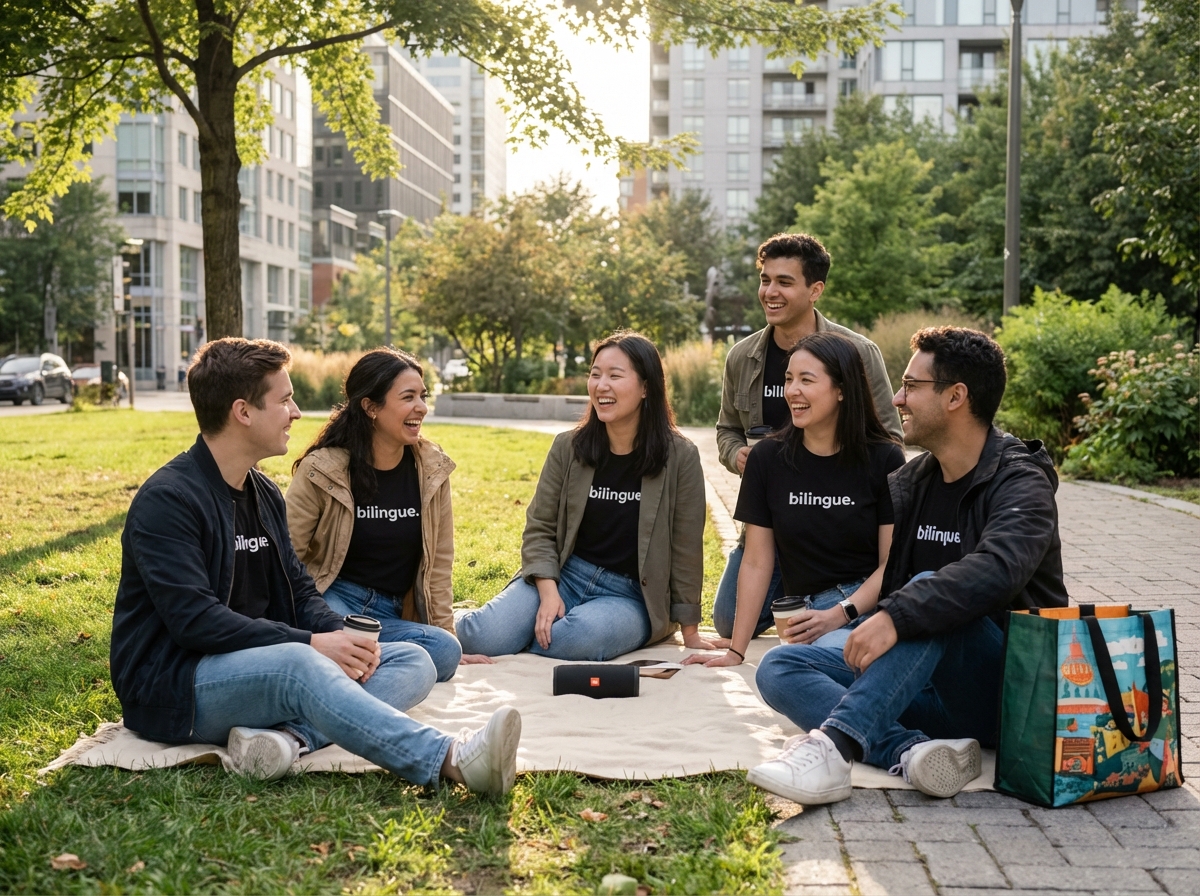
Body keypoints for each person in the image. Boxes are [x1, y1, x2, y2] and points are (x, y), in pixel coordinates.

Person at [109, 338, 520, 792]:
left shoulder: (262, 493)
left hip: (259, 663)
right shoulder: (170, 500)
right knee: (299, 665)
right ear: (243, 412)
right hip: (177, 689)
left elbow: (300, 590)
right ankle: (452, 759)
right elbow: (194, 622)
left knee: (413, 658)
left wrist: (340, 639)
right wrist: (311, 643)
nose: (297, 412)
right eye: (284, 400)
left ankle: (286, 741)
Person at [747, 327, 1068, 804]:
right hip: (924, 683)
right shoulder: (915, 481)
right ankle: (912, 751)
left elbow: (997, 570)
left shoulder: (1021, 482)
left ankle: (835, 749)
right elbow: (893, 580)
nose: (897, 399)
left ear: (956, 396)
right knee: (780, 665)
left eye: (911, 387)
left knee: (931, 592)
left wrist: (895, 615)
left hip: (1009, 690)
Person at [456, 331, 722, 660]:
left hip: (630, 595)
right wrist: (549, 591)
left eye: (614, 375)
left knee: (574, 639)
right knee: (482, 637)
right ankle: (455, 626)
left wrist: (690, 629)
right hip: (565, 574)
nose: (601, 385)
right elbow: (539, 527)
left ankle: (525, 634)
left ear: (645, 387)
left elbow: (686, 547)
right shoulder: (568, 448)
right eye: (595, 374)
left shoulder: (680, 457)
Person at [712, 233, 902, 641]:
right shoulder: (741, 357)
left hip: (841, 520)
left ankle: (835, 601)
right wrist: (738, 456)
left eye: (784, 281)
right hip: (775, 516)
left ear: (815, 290)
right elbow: (726, 429)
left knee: (839, 614)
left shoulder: (858, 352)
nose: (770, 292)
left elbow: (890, 438)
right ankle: (810, 601)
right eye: (765, 280)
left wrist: (835, 488)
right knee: (728, 621)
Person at [684, 332, 905, 671]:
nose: (792, 391)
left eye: (806, 380)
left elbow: (890, 565)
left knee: (800, 663)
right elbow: (757, 562)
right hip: (800, 610)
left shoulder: (884, 459)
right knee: (784, 667)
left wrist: (839, 613)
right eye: (788, 379)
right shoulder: (767, 459)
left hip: (861, 605)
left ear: (842, 390)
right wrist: (737, 652)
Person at [287, 348, 489, 682]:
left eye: (422, 396)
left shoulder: (431, 470)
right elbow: (288, 555)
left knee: (445, 650)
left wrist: (445, 631)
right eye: (408, 397)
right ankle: (361, 663)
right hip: (332, 602)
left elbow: (439, 562)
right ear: (370, 408)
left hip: (391, 616)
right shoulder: (323, 470)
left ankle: (357, 666)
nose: (421, 408)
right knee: (355, 649)